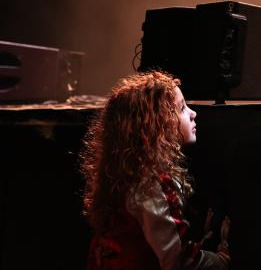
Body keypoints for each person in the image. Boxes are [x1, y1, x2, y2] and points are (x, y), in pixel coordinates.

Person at [80, 71, 230, 269]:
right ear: (160, 125)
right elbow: (178, 261)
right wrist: (221, 261)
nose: (193, 113)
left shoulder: (124, 177)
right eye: (182, 108)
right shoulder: (151, 185)